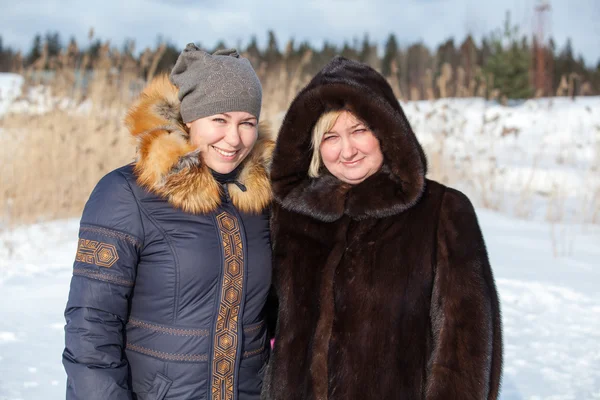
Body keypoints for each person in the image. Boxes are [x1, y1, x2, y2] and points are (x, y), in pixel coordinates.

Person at [262, 56, 503, 400]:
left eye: (359, 130)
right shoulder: (291, 215)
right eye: (330, 137)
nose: (347, 150)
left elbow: (466, 344)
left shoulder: (440, 211)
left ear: (386, 132)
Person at [62, 44, 274, 400]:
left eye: (247, 123)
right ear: (189, 119)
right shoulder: (126, 194)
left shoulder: (263, 202)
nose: (234, 138)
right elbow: (91, 327)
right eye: (219, 120)